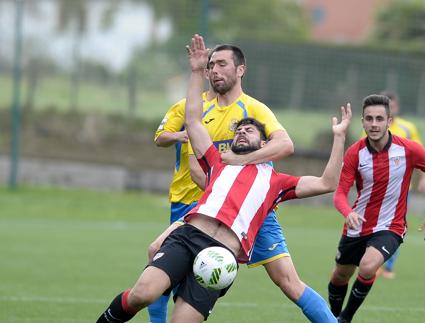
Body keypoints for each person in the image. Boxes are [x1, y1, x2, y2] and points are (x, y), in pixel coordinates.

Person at [96, 34, 346, 323]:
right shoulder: (217, 162)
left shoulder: (274, 178)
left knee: (288, 282)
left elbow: (325, 180)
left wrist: (338, 139)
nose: (241, 131)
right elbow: (191, 123)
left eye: (250, 131)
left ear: (240, 69)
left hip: (224, 251)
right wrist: (194, 72)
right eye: (211, 65)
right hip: (193, 228)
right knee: (145, 290)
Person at [327, 94, 425, 323]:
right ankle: (331, 317)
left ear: (389, 121)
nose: (374, 124)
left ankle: (345, 318)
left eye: (379, 118)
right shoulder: (355, 153)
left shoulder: (409, 149)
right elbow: (340, 193)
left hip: (391, 226)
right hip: (357, 225)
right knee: (340, 276)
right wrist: (347, 212)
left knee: (368, 266)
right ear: (362, 122)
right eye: (369, 119)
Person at [149, 75, 216, 323]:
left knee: (194, 269)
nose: (214, 72)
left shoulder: (238, 111)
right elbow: (159, 137)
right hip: (184, 198)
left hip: (214, 201)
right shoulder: (184, 107)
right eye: (211, 67)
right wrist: (180, 136)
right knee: (168, 260)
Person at [376, 91, 425, 279]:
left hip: (400, 190)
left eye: (391, 105)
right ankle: (372, 261)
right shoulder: (373, 126)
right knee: (371, 223)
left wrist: (424, 178)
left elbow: (421, 155)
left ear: (397, 108)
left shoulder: (408, 128)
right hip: (375, 188)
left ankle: (388, 266)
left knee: (395, 226)